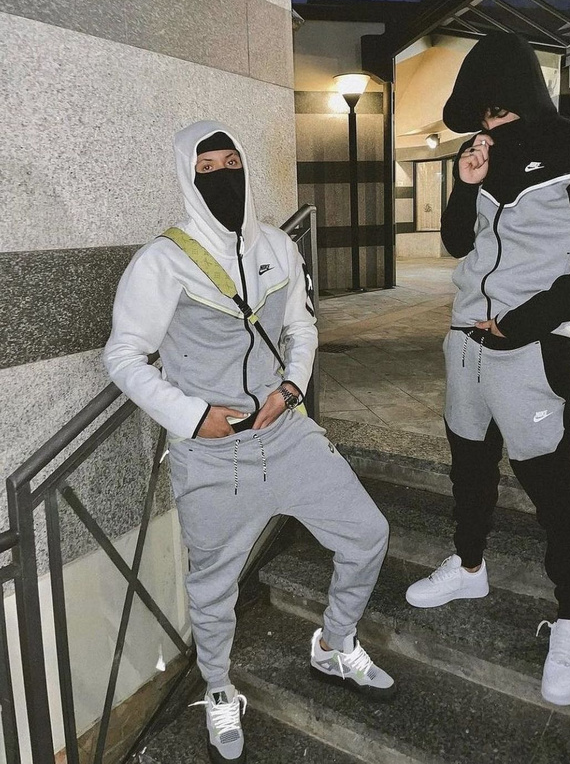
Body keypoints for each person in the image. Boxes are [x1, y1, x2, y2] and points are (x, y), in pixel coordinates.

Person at [104, 120, 394, 763]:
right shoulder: (162, 261)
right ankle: (217, 689)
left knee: (367, 534)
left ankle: (334, 643)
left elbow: (302, 328)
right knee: (213, 587)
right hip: (212, 457)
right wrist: (190, 417)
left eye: (230, 162)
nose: (222, 176)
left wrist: (290, 388)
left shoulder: (278, 246)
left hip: (287, 434)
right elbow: (122, 355)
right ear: (187, 176)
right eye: (206, 168)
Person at [405, 32, 570, 707]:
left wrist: (523, 322)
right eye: (483, 116)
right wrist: (465, 184)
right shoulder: (480, 154)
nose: (492, 127)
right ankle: (470, 565)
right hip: (464, 342)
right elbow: (456, 243)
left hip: (531, 348)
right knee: (468, 464)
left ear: (526, 96)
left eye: (501, 112)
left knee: (553, 484)